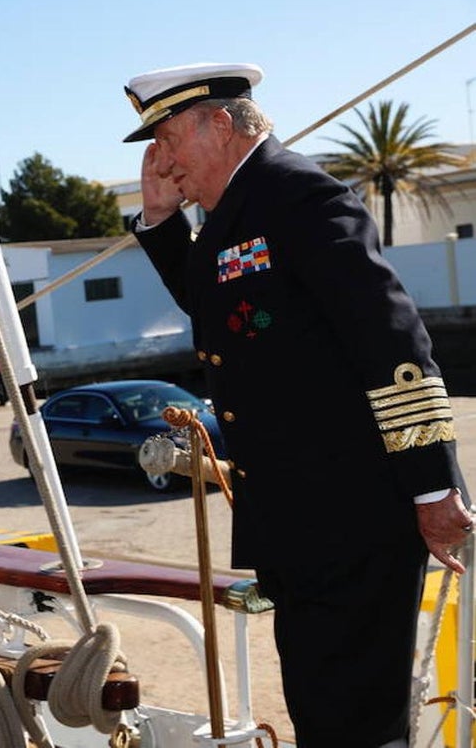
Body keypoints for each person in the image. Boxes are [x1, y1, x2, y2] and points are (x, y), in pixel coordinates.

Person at [121, 62, 471, 748]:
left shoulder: (301, 197)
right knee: (323, 715)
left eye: (168, 139)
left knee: (357, 723)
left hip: (354, 519)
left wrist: (434, 485)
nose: (161, 160)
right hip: (301, 524)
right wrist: (161, 220)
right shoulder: (239, 211)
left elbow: (394, 343)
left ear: (219, 125)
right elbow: (223, 311)